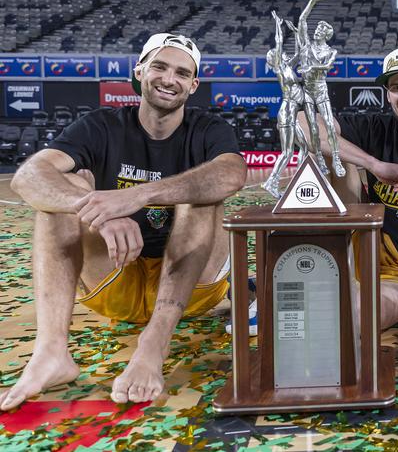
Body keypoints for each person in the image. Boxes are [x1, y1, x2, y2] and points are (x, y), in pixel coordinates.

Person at [2, 33, 247, 410]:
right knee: (67, 186)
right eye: (160, 67)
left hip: (191, 287)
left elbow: (232, 175)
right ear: (140, 71)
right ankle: (51, 353)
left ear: (193, 85)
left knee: (201, 190)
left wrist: (137, 196)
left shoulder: (208, 129)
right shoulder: (101, 125)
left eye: (182, 72)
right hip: (115, 273)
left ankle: (153, 345)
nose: (169, 78)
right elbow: (29, 177)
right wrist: (95, 212)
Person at [299, 46, 398, 329]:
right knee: (327, 151)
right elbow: (302, 124)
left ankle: (321, 282)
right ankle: (328, 257)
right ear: (388, 94)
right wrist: (373, 164)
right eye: (397, 87)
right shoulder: (375, 128)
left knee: (355, 316)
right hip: (362, 243)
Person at [295, 0, 346, 178]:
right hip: (307, 90)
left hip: (321, 90)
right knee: (313, 128)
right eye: (316, 28)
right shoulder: (306, 46)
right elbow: (301, 20)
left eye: (320, 30)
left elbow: (325, 68)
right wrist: (313, 0)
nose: (316, 31)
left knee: (330, 126)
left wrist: (309, 68)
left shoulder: (331, 52)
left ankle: (337, 158)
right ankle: (319, 157)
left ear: (326, 34)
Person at [261, 11, 310, 198]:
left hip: (292, 111)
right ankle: (271, 183)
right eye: (276, 53)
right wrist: (277, 24)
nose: (280, 52)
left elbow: (300, 51)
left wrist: (296, 32)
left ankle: (298, 181)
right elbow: (279, 42)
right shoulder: (280, 68)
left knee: (305, 146)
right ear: (274, 59)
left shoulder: (288, 66)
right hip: (287, 111)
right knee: (288, 152)